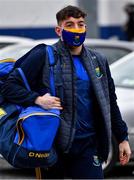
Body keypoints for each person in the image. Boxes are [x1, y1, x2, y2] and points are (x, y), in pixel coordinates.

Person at [1, 5, 131, 179]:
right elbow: (10, 87)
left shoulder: (97, 60)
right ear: (58, 30)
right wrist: (37, 99)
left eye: (80, 24)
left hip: (88, 146)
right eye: (69, 24)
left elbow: (110, 102)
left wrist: (122, 138)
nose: (76, 29)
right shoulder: (43, 55)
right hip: (51, 146)